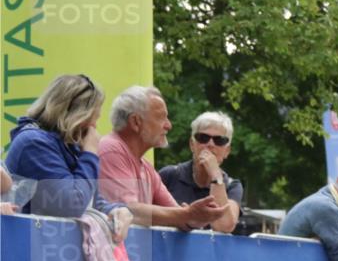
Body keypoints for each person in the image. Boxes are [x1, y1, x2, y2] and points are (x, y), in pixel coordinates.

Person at [4, 74, 132, 241]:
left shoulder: (64, 146)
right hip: (23, 252)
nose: (94, 128)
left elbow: (90, 199)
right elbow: (72, 204)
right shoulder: (33, 143)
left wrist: (116, 210)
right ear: (77, 116)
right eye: (93, 119)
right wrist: (90, 153)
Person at [99, 86, 225, 230]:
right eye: (161, 117)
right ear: (135, 122)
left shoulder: (145, 167)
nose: (168, 125)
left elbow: (180, 217)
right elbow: (129, 211)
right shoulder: (111, 149)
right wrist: (188, 214)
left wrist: (199, 216)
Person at [158, 111, 243, 233]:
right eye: (203, 138)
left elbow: (224, 227)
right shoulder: (170, 175)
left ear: (227, 151)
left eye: (219, 140)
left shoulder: (232, 185)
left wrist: (215, 175)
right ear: (192, 145)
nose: (210, 144)